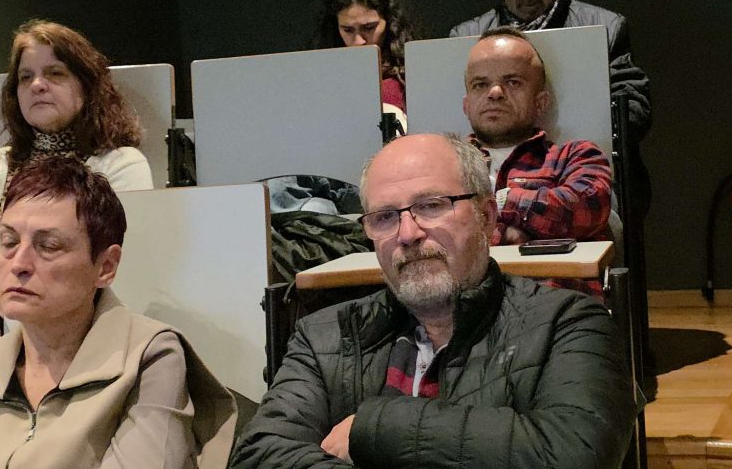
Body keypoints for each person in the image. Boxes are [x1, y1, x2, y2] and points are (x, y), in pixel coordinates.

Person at [230, 133, 636, 469]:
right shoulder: (324, 335)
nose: (408, 234)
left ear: (487, 217)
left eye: (431, 206)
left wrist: (375, 428)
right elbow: (259, 454)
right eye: (385, 217)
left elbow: (577, 455)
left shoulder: (568, 324)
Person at [0, 156, 236, 469]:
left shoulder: (148, 357)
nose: (19, 264)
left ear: (105, 267)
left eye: (48, 246)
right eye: (9, 241)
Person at [450, 0, 650, 219]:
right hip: (494, 181)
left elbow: (633, 111)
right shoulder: (465, 38)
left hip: (583, 178)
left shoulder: (605, 27)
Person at [0, 19, 153, 232]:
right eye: (26, 77)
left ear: (86, 87)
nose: (37, 85)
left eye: (55, 73)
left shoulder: (121, 165)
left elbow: (124, 248)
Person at [464, 27, 612, 246]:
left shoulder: (575, 157)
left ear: (540, 102)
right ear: (466, 105)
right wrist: (507, 233)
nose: (495, 93)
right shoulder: (440, 164)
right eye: (480, 84)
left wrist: (500, 203)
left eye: (512, 82)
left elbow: (589, 208)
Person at [312, 0, 420, 115]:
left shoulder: (414, 77)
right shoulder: (322, 82)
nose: (358, 41)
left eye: (369, 28)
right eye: (348, 30)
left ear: (390, 22)